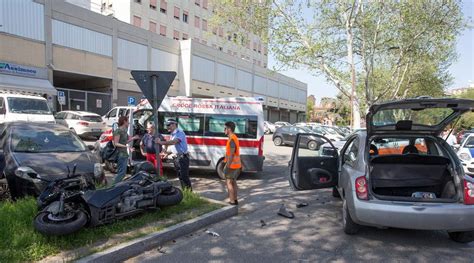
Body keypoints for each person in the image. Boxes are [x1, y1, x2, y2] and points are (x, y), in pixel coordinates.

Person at [155, 119, 192, 190]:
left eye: (168, 125)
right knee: (180, 177)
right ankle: (185, 192)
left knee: (184, 177)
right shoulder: (173, 134)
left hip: (182, 158)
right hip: (176, 158)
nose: (167, 127)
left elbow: (174, 142)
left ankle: (189, 194)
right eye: (166, 125)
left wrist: (160, 142)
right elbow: (174, 148)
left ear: (174, 125)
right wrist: (167, 153)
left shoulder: (180, 132)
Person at [113, 116, 139, 184]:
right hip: (120, 154)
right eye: (128, 121)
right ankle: (114, 187)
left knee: (123, 173)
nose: (129, 123)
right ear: (124, 121)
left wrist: (133, 138)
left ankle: (117, 186)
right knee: (121, 173)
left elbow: (125, 141)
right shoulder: (118, 131)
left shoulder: (124, 131)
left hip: (124, 154)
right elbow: (116, 143)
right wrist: (126, 147)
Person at [223, 121, 241, 205]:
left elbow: (232, 154)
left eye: (225, 128)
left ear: (229, 129)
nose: (224, 130)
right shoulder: (233, 137)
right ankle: (235, 199)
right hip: (236, 165)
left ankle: (232, 201)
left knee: (229, 182)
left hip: (232, 165)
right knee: (233, 182)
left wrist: (227, 166)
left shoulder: (232, 139)